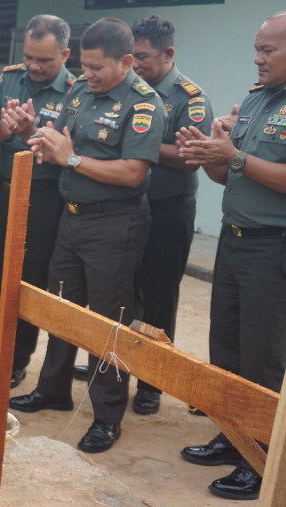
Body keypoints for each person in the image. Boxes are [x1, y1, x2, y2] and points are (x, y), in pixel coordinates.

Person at [9, 17, 165, 454]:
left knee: (107, 322)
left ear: (126, 61)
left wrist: (72, 159)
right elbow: (59, 141)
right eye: (84, 66)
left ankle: (107, 416)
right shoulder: (79, 91)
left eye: (97, 68)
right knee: (62, 308)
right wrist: (31, 134)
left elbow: (134, 173)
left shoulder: (144, 104)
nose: (88, 75)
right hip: (71, 219)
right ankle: (54, 389)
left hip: (115, 224)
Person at [176, 10, 286, 501]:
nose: (257, 58)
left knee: (263, 357)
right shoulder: (257, 100)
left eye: (268, 50)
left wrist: (235, 156)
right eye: (257, 49)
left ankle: (260, 458)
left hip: (274, 249)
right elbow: (230, 174)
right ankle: (232, 436)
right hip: (235, 240)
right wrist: (210, 155)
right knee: (228, 350)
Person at [0, 14, 75, 389]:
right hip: (5, 190)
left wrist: (33, 131)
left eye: (45, 60)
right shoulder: (10, 78)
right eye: (29, 57)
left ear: (65, 54)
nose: (35, 67)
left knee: (29, 278)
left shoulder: (77, 90)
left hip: (44, 197)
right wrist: (6, 129)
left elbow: (70, 147)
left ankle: (16, 359)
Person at [121, 15, 215, 415]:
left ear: (168, 53)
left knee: (159, 298)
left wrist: (138, 144)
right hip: (126, 207)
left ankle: (152, 382)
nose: (135, 63)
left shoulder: (190, 98)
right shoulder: (126, 89)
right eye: (131, 56)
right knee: (125, 293)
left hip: (168, 210)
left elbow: (191, 158)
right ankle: (121, 365)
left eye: (142, 56)